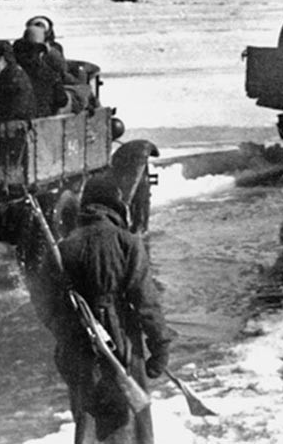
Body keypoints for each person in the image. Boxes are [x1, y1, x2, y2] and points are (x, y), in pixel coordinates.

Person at [48, 175, 174, 444]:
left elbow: (50, 309)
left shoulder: (63, 247)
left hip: (80, 347)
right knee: (132, 420)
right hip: (123, 344)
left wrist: (68, 344)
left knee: (88, 423)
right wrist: (160, 347)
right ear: (117, 205)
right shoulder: (128, 242)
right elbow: (146, 303)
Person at [14, 24, 75, 116]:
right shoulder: (47, 73)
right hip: (42, 116)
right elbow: (62, 100)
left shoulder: (10, 69)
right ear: (40, 52)